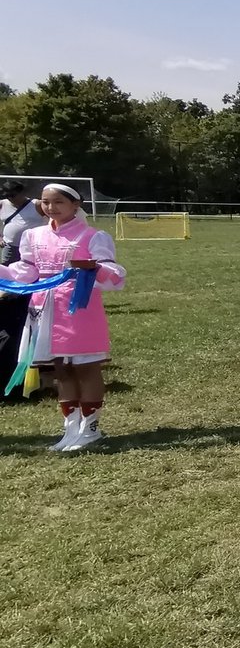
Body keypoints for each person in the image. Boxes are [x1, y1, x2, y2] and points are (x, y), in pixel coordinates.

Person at [0, 183, 126, 449]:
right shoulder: (33, 235)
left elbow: (111, 272)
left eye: (58, 202)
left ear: (75, 205)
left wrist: (93, 269)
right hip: (44, 309)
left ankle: (90, 429)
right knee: (61, 370)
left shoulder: (92, 236)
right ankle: (71, 429)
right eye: (46, 202)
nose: (51, 207)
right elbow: (27, 271)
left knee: (86, 368)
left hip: (79, 309)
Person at [1, 181, 49, 401]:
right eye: (7, 194)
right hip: (11, 251)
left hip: (36, 258)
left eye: (13, 194)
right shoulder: (3, 205)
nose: (10, 198)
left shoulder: (37, 206)